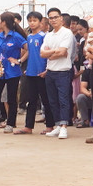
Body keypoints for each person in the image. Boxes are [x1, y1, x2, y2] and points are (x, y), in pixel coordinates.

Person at [40, 8, 75, 138]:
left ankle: (64, 126)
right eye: (51, 18)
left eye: (55, 17)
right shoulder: (48, 35)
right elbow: (42, 53)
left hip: (63, 72)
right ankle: (58, 125)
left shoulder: (67, 33)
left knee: (64, 100)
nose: (53, 20)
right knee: (52, 101)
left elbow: (63, 52)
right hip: (50, 72)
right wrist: (54, 53)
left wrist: (51, 53)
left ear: (61, 18)